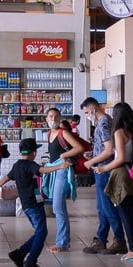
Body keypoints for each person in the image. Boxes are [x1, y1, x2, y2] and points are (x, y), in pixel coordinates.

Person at [0, 139, 70, 267]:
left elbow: (7, 177)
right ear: (34, 152)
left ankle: (19, 253)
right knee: (42, 233)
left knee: (40, 232)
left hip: (27, 205)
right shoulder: (30, 165)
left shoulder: (17, 165)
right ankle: (31, 262)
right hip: (34, 204)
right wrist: (60, 167)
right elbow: (43, 170)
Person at [95, 102, 133, 262]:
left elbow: (120, 158)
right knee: (129, 214)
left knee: (126, 215)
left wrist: (103, 169)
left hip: (122, 175)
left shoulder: (119, 132)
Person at [81, 97, 127, 255]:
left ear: (93, 109)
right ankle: (101, 239)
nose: (87, 115)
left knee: (107, 206)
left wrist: (91, 161)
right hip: (100, 168)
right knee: (101, 207)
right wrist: (92, 155)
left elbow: (109, 150)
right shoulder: (104, 122)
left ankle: (119, 239)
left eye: (87, 112)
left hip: (104, 170)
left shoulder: (103, 123)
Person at [43, 108, 85, 254]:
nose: (52, 119)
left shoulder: (63, 133)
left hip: (62, 170)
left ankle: (62, 243)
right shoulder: (49, 134)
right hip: (54, 170)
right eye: (50, 116)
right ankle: (63, 241)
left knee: (58, 208)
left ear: (60, 118)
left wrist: (64, 155)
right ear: (46, 118)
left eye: (55, 116)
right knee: (59, 207)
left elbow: (79, 148)